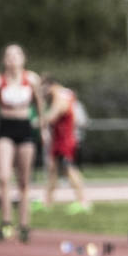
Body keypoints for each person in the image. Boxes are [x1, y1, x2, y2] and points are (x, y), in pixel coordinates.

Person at [0, 44, 46, 243]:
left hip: (25, 128)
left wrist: (43, 129)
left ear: (23, 58)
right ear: (3, 60)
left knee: (24, 181)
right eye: (8, 55)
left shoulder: (32, 79)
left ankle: (24, 225)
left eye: (16, 55)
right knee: (3, 177)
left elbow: (40, 105)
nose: (12, 58)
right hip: (5, 129)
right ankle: (6, 223)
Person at [41, 76, 90, 213]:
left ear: (50, 86)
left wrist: (40, 117)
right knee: (53, 171)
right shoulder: (65, 94)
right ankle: (48, 202)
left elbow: (52, 116)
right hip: (59, 139)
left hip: (65, 140)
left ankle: (83, 201)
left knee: (70, 170)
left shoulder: (61, 96)